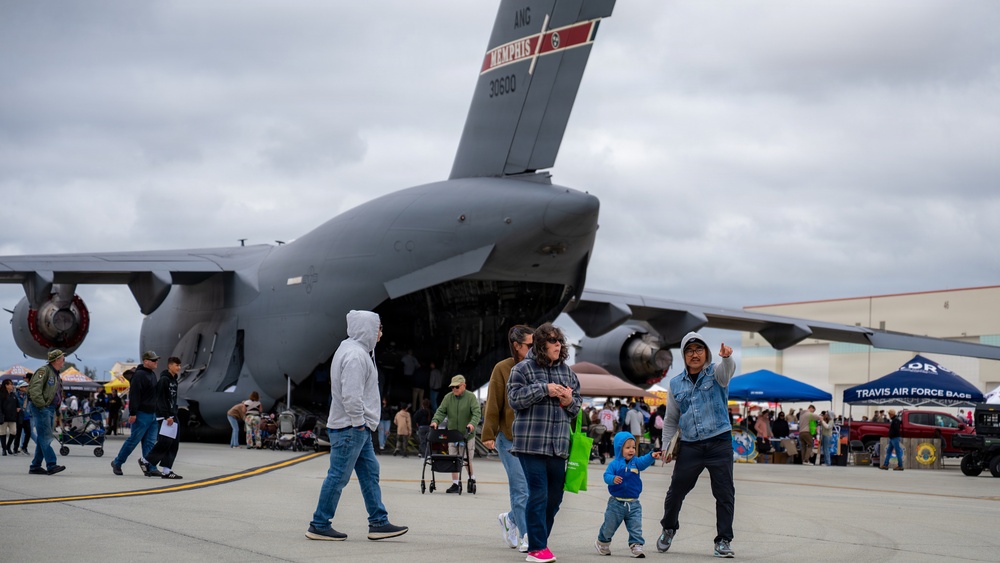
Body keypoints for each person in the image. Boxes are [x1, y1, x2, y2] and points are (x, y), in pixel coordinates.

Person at [305, 309, 408, 542]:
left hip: (356, 429)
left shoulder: (355, 350)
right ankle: (319, 524)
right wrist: (360, 423)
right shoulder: (355, 356)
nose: (381, 333)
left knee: (370, 473)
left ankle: (379, 522)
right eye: (378, 328)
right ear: (367, 329)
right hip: (351, 428)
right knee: (338, 476)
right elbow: (351, 396)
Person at [656, 332, 736, 558]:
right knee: (676, 491)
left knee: (724, 493)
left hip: (719, 442)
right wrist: (666, 448)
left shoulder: (716, 374)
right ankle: (669, 528)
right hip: (691, 445)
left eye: (699, 349)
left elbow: (727, 371)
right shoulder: (675, 384)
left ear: (707, 353)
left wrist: (727, 358)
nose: (694, 354)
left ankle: (723, 540)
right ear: (684, 355)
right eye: (689, 350)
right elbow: (671, 419)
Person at [508, 322, 581, 563]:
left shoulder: (568, 372)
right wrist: (544, 389)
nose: (558, 344)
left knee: (555, 499)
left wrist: (569, 401)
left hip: (557, 446)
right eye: (552, 340)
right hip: (531, 444)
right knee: (538, 493)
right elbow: (514, 399)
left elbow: (577, 407)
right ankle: (537, 548)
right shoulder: (522, 369)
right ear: (540, 345)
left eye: (559, 340)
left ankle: (538, 541)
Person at [482, 324, 533, 553]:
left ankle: (509, 519)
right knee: (520, 489)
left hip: (532, 440)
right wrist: (489, 433)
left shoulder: (537, 368)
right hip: (509, 438)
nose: (534, 349)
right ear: (516, 345)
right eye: (530, 345)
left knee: (534, 491)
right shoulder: (502, 368)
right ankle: (525, 536)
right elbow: (494, 402)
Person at [595, 431, 663, 558]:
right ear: (619, 448)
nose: (631, 450)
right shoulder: (614, 464)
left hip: (634, 503)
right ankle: (602, 542)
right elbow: (606, 476)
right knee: (609, 526)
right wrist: (612, 479)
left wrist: (651, 455)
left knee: (636, 526)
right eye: (627, 447)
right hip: (616, 503)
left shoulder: (636, 462)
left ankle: (636, 545)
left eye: (633, 447)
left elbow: (643, 461)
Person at [112, 351, 162, 477]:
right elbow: (134, 395)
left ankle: (151, 466)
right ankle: (117, 463)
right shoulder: (139, 375)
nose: (156, 362)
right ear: (146, 361)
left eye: (156, 360)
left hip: (152, 414)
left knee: (150, 443)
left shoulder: (152, 374)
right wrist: (133, 413)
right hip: (141, 414)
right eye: (153, 360)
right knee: (133, 440)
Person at [430, 374, 482, 493]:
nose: (454, 389)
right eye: (452, 387)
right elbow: (441, 411)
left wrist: (472, 424)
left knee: (466, 460)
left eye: (457, 387)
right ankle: (455, 484)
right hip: (452, 434)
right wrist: (435, 421)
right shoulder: (448, 397)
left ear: (464, 386)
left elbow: (476, 413)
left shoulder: (471, 397)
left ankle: (471, 478)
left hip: (467, 434)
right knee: (452, 459)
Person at [27, 349, 68, 475]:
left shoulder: (55, 373)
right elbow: (34, 390)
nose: (64, 361)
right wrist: (42, 405)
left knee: (42, 437)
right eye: (62, 358)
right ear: (56, 360)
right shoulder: (44, 371)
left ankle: (35, 466)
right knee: (45, 437)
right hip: (42, 408)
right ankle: (51, 464)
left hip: (49, 408)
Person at [142, 356, 183, 479]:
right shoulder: (164, 380)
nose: (179, 368)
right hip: (165, 415)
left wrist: (173, 414)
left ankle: (167, 470)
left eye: (180, 365)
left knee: (173, 443)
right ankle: (145, 460)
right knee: (165, 441)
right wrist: (166, 416)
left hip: (172, 414)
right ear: (170, 365)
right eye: (177, 365)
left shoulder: (174, 380)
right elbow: (160, 400)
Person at [0, 379, 21, 456]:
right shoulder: (1, 394)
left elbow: (18, 405)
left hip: (12, 417)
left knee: (14, 432)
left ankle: (8, 446)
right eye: (10, 384)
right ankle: (4, 449)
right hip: (3, 417)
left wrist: (18, 408)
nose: (12, 386)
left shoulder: (13, 395)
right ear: (6, 385)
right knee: (2, 433)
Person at [14, 381, 31, 454]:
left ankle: (24, 447)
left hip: (26, 416)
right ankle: (15, 449)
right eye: (24, 386)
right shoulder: (14, 395)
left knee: (28, 433)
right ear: (20, 388)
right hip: (18, 416)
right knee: (18, 433)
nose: (26, 388)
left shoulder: (27, 395)